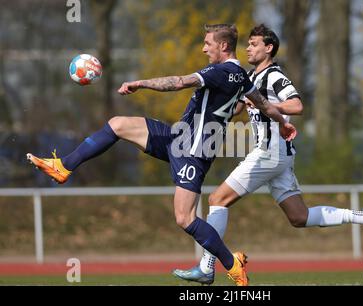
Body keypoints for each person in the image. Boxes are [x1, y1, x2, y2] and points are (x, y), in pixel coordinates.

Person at [26, 23, 297, 286]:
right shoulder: (242, 76)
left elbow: (178, 82)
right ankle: (64, 166)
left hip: (193, 151)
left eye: (208, 44)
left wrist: (139, 83)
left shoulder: (222, 71)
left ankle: (231, 263)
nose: (204, 49)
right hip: (179, 138)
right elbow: (264, 105)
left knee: (185, 218)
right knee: (118, 124)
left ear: (223, 46)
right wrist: (283, 124)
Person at [173, 24, 363, 285]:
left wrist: (267, 105)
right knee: (300, 217)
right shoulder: (250, 76)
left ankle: (207, 267)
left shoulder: (274, 75)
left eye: (254, 44)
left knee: (218, 199)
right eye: (248, 44)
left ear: (269, 48)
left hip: (270, 152)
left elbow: (297, 105)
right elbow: (240, 108)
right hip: (278, 156)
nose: (249, 48)